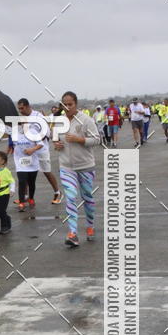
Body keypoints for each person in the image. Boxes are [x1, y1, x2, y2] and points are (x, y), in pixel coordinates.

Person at [54, 91, 99, 247]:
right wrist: (56, 145)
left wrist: (79, 139)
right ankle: (72, 233)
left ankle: (90, 226)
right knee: (71, 197)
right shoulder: (59, 121)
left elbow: (97, 140)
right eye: (64, 104)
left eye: (70, 104)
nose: (67, 107)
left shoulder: (86, 120)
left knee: (87, 197)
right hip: (66, 166)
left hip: (85, 166)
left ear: (76, 104)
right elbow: (55, 140)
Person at [17, 98, 62, 204]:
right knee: (26, 172)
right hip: (28, 150)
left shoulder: (38, 116)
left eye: (22, 108)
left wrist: (34, 143)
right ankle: (26, 196)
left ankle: (58, 192)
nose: (20, 111)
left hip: (40, 149)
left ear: (28, 106)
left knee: (46, 172)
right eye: (19, 109)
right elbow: (20, 133)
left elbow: (46, 133)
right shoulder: (21, 118)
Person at [10, 118, 43, 212]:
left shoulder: (33, 132)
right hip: (20, 162)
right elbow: (11, 145)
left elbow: (40, 144)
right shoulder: (14, 132)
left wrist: (32, 150)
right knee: (22, 182)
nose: (23, 124)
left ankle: (31, 198)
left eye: (25, 122)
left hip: (32, 162)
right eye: (20, 123)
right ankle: (21, 202)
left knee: (31, 182)